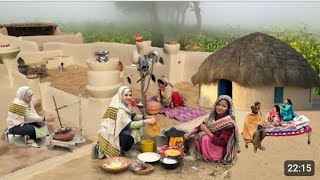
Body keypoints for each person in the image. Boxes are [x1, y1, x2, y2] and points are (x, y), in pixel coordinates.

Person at [97, 86, 156, 158]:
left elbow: (133, 117)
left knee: (138, 128)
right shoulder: (119, 109)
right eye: (126, 95)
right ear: (120, 96)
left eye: (130, 95)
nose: (128, 97)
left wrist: (145, 117)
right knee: (133, 133)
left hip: (118, 131)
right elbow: (130, 125)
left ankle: (124, 148)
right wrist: (146, 121)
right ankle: (124, 151)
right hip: (109, 136)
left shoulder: (126, 105)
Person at [184, 95, 240, 163]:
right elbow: (200, 126)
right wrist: (189, 134)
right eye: (218, 105)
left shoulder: (228, 124)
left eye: (224, 106)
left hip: (220, 149)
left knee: (205, 137)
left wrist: (206, 131)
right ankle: (202, 153)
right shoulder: (212, 117)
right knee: (198, 134)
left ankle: (211, 157)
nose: (220, 108)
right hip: (212, 143)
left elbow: (221, 142)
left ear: (228, 108)